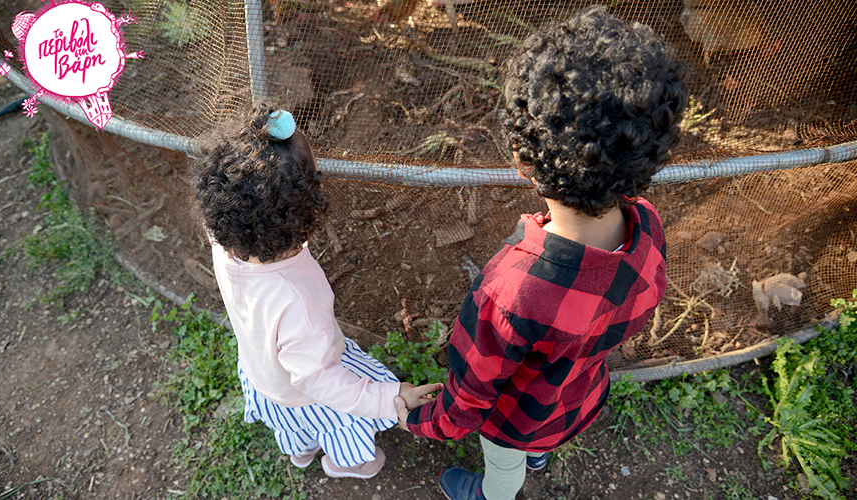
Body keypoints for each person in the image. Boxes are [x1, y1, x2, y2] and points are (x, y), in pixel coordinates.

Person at [392, 6, 688, 500]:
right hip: (576, 398)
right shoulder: (648, 227)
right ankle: (540, 451)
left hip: (514, 421)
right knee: (536, 442)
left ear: (522, 159)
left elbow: (470, 394)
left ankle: (493, 493)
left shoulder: (509, 292)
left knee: (504, 464)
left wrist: (424, 422)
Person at [192, 102, 441, 479]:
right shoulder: (298, 301)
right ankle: (349, 463)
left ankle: (301, 453)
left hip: (261, 374)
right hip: (307, 394)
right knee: (340, 422)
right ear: (306, 212)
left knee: (290, 426)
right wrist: (390, 399)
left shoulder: (223, 241)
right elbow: (321, 382)